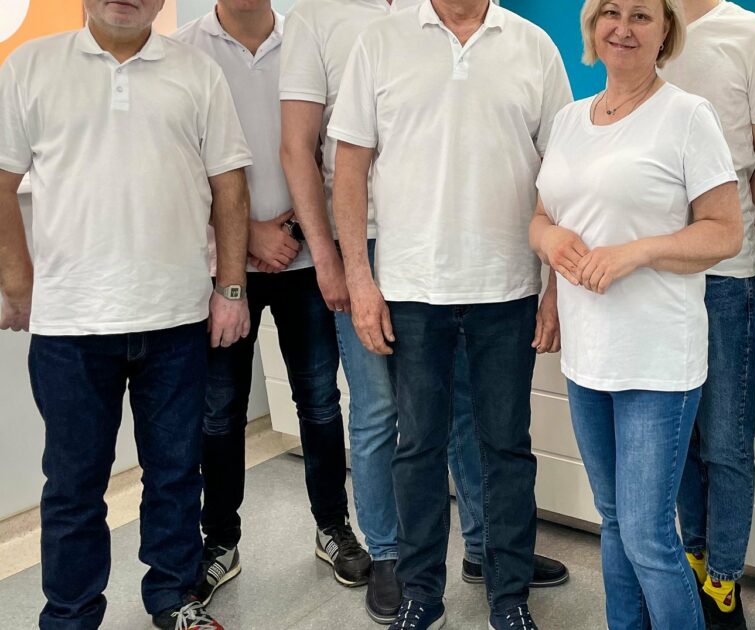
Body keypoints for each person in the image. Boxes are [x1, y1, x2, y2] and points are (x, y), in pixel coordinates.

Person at [279, 0, 568, 622]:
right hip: (411, 289)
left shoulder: (534, 46)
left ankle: (508, 595)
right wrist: (360, 279)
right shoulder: (381, 42)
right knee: (417, 449)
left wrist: (554, 288)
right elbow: (349, 168)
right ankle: (420, 594)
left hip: (506, 287)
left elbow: (562, 173)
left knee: (506, 448)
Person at [0, 0, 254, 628]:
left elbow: (229, 186)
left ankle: (174, 596)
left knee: (175, 474)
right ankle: (70, 614)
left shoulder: (196, 72)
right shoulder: (31, 66)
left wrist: (230, 289)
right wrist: (17, 280)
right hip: (71, 325)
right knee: (73, 485)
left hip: (176, 318)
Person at [531, 0, 742, 627]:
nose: (623, 28)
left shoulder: (686, 116)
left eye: (642, 16)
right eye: (610, 12)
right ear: (592, 26)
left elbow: (724, 232)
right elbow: (541, 215)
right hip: (587, 355)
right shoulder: (570, 119)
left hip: (656, 359)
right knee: (615, 520)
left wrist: (640, 251)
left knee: (649, 534)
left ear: (666, 30)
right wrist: (549, 239)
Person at [173, 0, 369, 605]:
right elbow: (178, 168)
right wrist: (247, 234)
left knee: (319, 400)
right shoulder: (184, 50)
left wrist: (297, 233)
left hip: (306, 259)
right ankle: (219, 541)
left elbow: (323, 151)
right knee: (219, 411)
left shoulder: (303, 40)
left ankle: (333, 527)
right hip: (222, 266)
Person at [658, 1, 755, 626]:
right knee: (678, 436)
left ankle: (724, 581)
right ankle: (691, 558)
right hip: (658, 274)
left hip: (726, 278)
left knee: (727, 441)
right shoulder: (647, 25)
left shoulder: (754, 36)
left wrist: (735, 232)